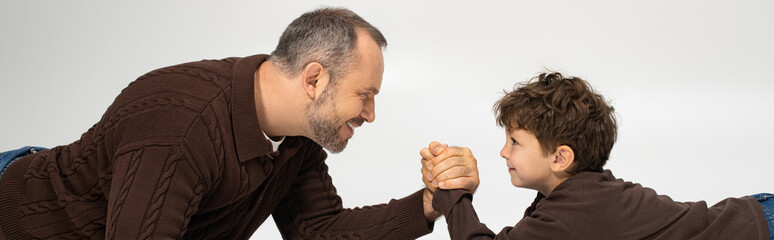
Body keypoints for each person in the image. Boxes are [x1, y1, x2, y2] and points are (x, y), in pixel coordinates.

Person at [0, 8, 479, 239]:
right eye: (365, 95)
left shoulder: (296, 137)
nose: (371, 115)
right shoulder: (181, 124)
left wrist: (430, 203)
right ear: (315, 79)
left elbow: (318, 230)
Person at [420, 72, 773, 239]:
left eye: (515, 141)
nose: (502, 151)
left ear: (560, 158)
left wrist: (454, 196)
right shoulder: (578, 197)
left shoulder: (574, 212)